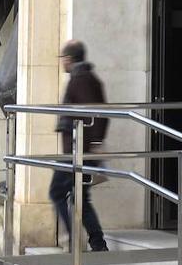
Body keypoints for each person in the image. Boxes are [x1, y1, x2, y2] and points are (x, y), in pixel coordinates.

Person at [48, 39, 108, 253]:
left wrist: (91, 145)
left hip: (76, 152)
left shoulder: (80, 80)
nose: (61, 62)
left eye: (63, 58)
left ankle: (75, 240)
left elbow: (94, 115)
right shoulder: (89, 79)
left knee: (56, 192)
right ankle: (98, 243)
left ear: (69, 59)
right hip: (80, 151)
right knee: (81, 198)